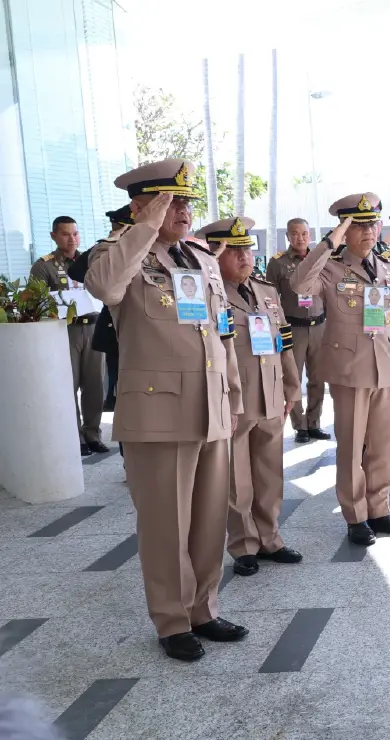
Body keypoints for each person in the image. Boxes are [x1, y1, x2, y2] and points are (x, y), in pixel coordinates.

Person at [85, 158, 248, 661]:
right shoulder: (120, 252)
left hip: (210, 405)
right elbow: (105, 288)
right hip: (158, 412)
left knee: (208, 520)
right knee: (166, 525)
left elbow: (221, 332)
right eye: (170, 201)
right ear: (140, 206)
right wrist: (145, 227)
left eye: (185, 202)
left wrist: (233, 394)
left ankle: (204, 609)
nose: (183, 210)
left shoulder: (199, 256)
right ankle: (173, 620)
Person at [291, 193, 390, 546]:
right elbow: (300, 284)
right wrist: (330, 241)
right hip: (349, 370)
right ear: (344, 230)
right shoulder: (330, 268)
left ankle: (379, 510)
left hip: (386, 367)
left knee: (381, 445)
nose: (368, 232)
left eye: (372, 224)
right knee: (350, 448)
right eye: (358, 225)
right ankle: (356, 516)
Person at [199, 217, 304, 578]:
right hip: (235, 398)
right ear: (217, 254)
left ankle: (270, 537)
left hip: (271, 392)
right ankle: (244, 544)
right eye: (234, 250)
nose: (244, 257)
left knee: (270, 473)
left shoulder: (265, 291)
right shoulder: (209, 293)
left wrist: (292, 387)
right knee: (237, 478)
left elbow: (284, 341)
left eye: (247, 249)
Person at [31, 215, 107, 457]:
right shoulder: (44, 265)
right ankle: (75, 437)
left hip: (93, 327)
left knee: (95, 386)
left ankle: (93, 434)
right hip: (65, 331)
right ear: (54, 236)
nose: (71, 239)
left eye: (75, 233)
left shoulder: (91, 261)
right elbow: (36, 302)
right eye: (65, 234)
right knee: (68, 385)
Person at [267, 218, 331, 443]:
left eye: (304, 233)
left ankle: (314, 422)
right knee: (292, 378)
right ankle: (299, 425)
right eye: (295, 234)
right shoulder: (277, 263)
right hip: (293, 328)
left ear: (310, 235)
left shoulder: (321, 260)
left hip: (319, 327)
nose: (300, 238)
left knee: (318, 378)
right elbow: (270, 297)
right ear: (287, 236)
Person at [69, 206, 135, 415]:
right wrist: (112, 240)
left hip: (140, 328)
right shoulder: (108, 250)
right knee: (119, 385)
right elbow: (76, 271)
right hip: (115, 327)